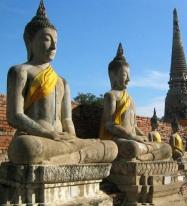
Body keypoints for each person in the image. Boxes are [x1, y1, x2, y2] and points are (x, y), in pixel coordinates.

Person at [7, 0, 117, 165]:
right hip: (36, 138)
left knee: (111, 147)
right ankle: (73, 157)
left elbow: (67, 120)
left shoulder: (62, 81)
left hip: (62, 141)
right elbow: (15, 116)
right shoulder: (20, 71)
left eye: (56, 42)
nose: (53, 47)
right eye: (46, 39)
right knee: (27, 147)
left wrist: (72, 138)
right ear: (29, 41)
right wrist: (47, 134)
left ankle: (70, 157)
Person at [100, 43, 171, 161]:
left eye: (129, 75)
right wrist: (131, 136)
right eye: (124, 75)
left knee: (167, 148)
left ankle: (144, 159)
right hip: (117, 139)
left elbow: (134, 126)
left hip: (133, 139)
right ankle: (144, 158)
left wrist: (142, 135)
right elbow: (109, 125)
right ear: (113, 75)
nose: (129, 79)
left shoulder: (130, 100)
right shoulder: (111, 96)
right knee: (133, 147)